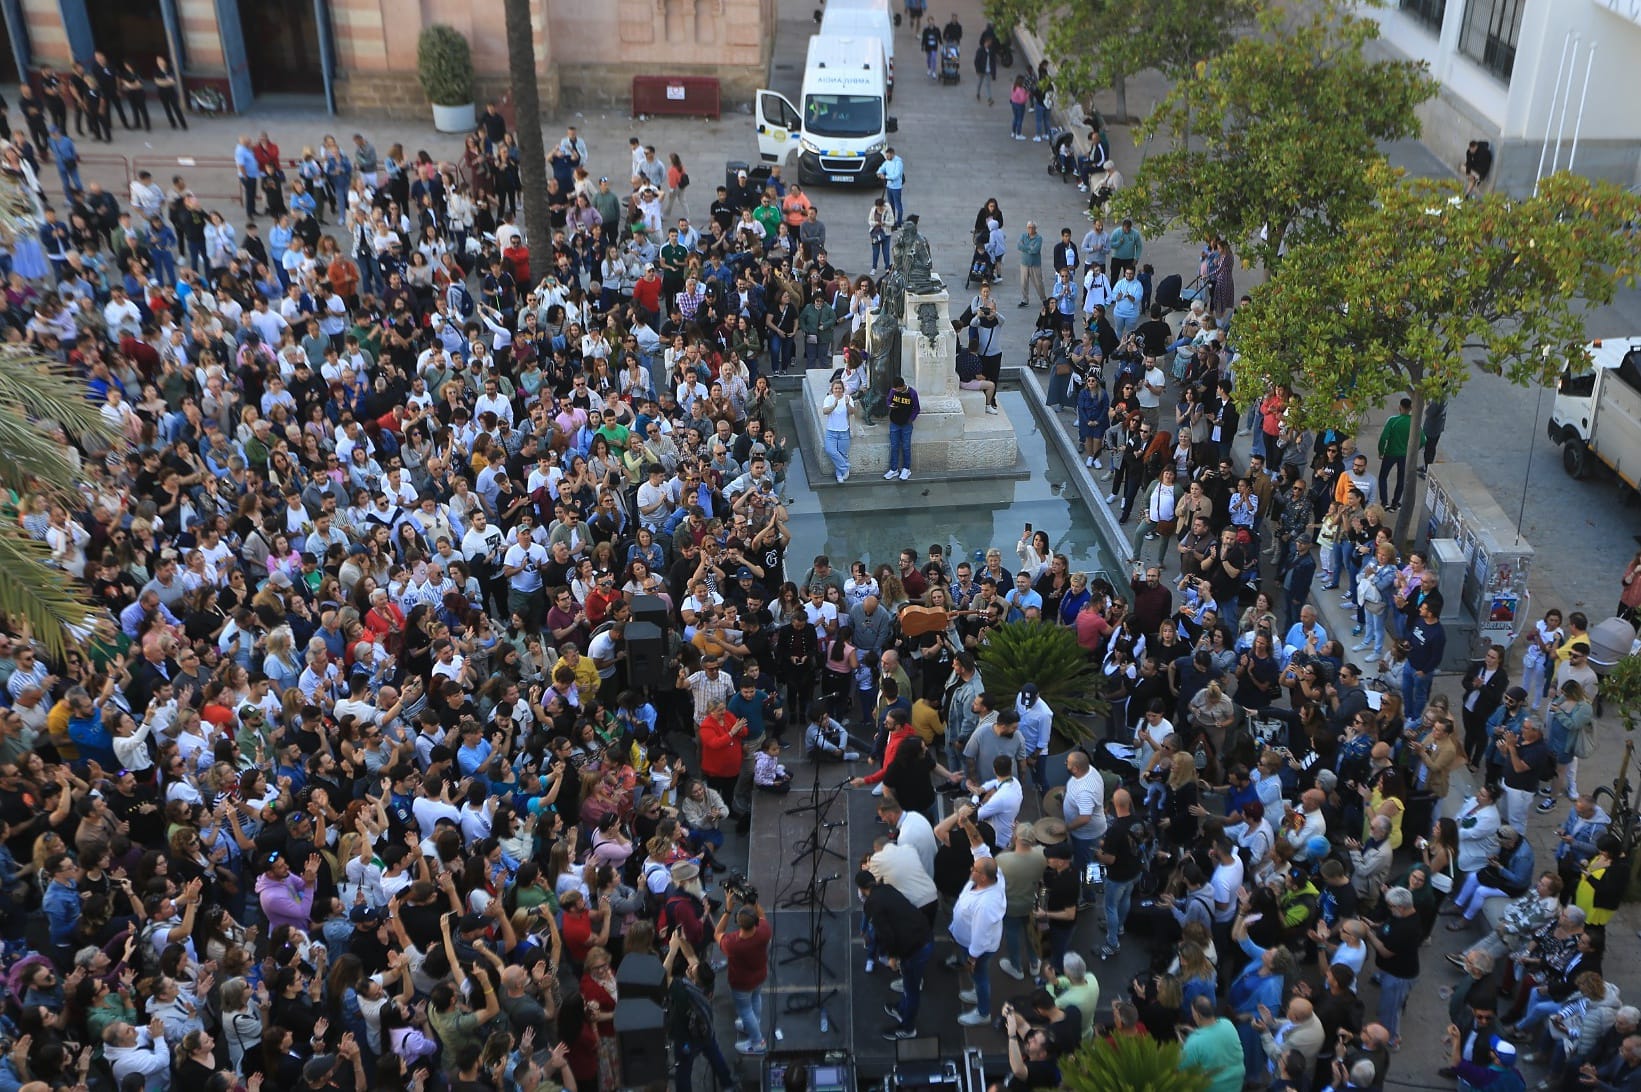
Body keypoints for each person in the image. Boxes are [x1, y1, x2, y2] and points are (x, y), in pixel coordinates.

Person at [858, 869, 935, 1040]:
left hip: (915, 949)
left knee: (912, 989)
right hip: (924, 936)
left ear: (862, 889)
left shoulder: (871, 904)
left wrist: (892, 957)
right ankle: (902, 1008)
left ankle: (908, 1028)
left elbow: (886, 934)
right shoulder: (888, 889)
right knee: (909, 985)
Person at [884, 375, 920, 481]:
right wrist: (890, 405)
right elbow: (888, 400)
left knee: (906, 447)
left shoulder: (912, 393)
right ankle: (893, 469)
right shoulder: (893, 391)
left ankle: (906, 469)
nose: (894, 390)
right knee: (894, 446)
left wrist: (911, 419)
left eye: (896, 389)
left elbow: (916, 408)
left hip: (906, 424)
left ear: (901, 386)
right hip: (894, 422)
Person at [821, 378, 855, 484]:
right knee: (830, 450)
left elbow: (852, 412)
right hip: (831, 431)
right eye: (835, 388)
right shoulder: (828, 399)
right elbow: (825, 411)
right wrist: (834, 406)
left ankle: (839, 474)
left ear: (843, 389)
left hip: (844, 431)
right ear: (832, 389)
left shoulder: (848, 398)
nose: (838, 390)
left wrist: (847, 404)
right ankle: (846, 468)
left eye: (839, 388)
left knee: (842, 454)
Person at [876, 147, 905, 227]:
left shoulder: (898, 162)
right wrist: (879, 173)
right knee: (891, 205)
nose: (887, 158)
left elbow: (896, 175)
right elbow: (882, 167)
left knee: (898, 205)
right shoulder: (887, 161)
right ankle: (892, 221)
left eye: (888, 156)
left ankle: (899, 223)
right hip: (889, 186)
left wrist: (885, 177)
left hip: (896, 187)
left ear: (892, 154)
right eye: (886, 156)